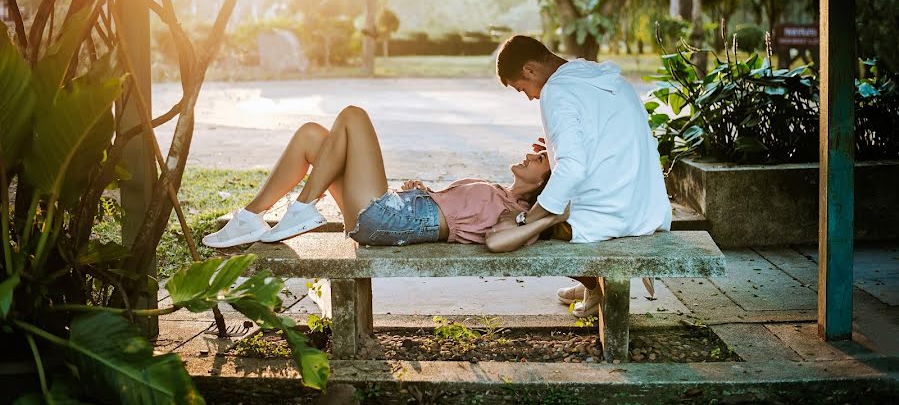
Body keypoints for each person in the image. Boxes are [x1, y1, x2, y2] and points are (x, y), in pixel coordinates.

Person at [202, 105, 563, 250]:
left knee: (353, 116)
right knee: (313, 134)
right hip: (393, 211)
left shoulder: (514, 211)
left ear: (544, 183)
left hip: (389, 220)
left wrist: (549, 216)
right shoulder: (500, 191)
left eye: (541, 158)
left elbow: (498, 242)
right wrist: (424, 192)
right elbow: (451, 212)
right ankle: (250, 217)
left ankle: (303, 207)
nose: (532, 153)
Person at [495, 35, 672, 317]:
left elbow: (573, 168)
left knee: (529, 225)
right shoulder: (600, 76)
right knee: (546, 200)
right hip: (643, 207)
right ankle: (592, 283)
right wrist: (554, 152)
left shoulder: (556, 90)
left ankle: (593, 285)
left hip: (608, 215)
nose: (529, 96)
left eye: (522, 89)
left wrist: (527, 220)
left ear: (529, 70)